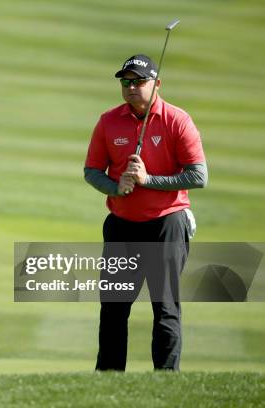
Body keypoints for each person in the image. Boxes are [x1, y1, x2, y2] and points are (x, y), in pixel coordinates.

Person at [83, 54, 208, 371]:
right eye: (126, 81)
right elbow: (92, 170)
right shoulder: (109, 121)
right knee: (113, 307)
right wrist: (116, 187)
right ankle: (109, 377)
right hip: (121, 225)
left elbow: (198, 176)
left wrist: (147, 180)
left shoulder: (177, 120)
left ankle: (165, 380)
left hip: (166, 223)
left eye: (138, 81)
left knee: (164, 306)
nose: (131, 87)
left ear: (157, 84)